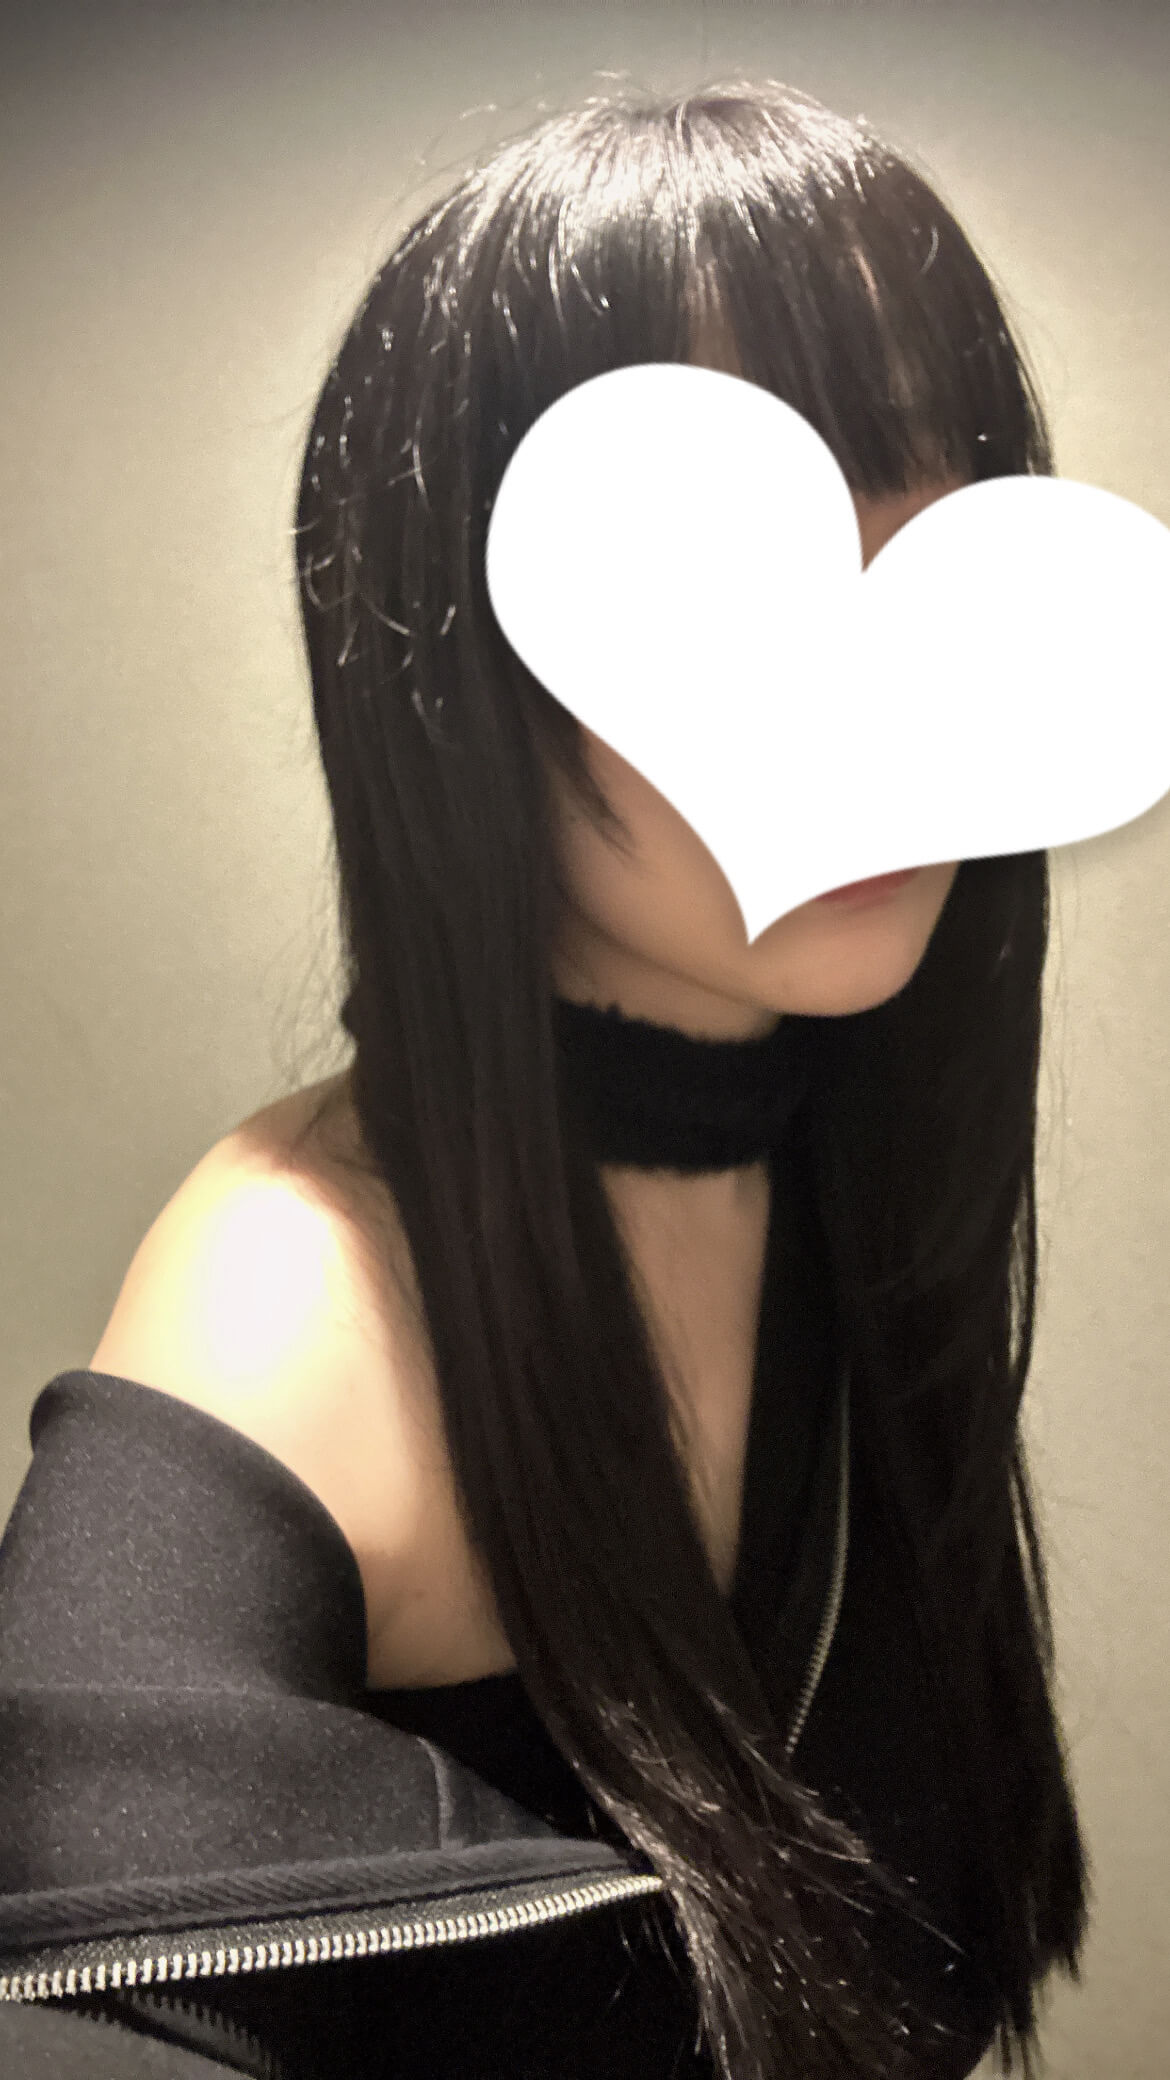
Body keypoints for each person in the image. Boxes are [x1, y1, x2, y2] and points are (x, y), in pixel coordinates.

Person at [0, 75, 1091, 2080]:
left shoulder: (851, 1153)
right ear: (460, 656)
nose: (882, 672)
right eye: (718, 570)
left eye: (938, 523)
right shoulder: (300, 1295)